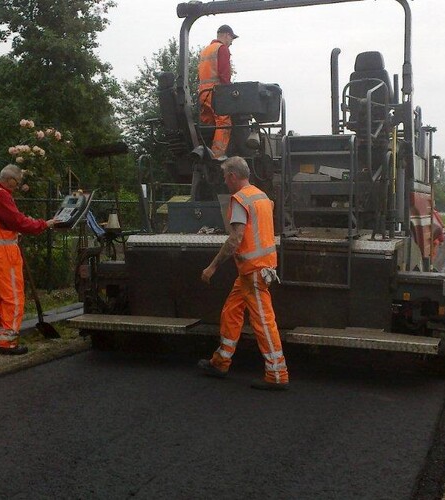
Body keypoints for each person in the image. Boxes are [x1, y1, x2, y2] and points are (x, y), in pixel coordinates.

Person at [198, 157, 289, 391]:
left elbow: (235, 239)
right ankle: (220, 362)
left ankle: (277, 375)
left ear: (232, 176)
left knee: (264, 324)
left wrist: (212, 266)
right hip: (253, 272)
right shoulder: (261, 197)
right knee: (231, 312)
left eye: (225, 177)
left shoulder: (239, 200)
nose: (225, 181)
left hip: (255, 272)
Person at [0, 164, 58, 355]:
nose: (18, 186)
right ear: (10, 180)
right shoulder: (1, 195)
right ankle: (7, 342)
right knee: (12, 297)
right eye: (18, 182)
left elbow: (1, 223)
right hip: (4, 254)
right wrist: (44, 224)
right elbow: (16, 221)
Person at [197, 24, 238, 159]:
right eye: (232, 38)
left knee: (209, 124)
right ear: (226, 35)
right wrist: (230, 92)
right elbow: (224, 75)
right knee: (224, 123)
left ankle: (204, 153)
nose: (231, 42)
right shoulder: (222, 49)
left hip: (203, 94)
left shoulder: (205, 50)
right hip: (217, 94)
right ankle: (216, 156)